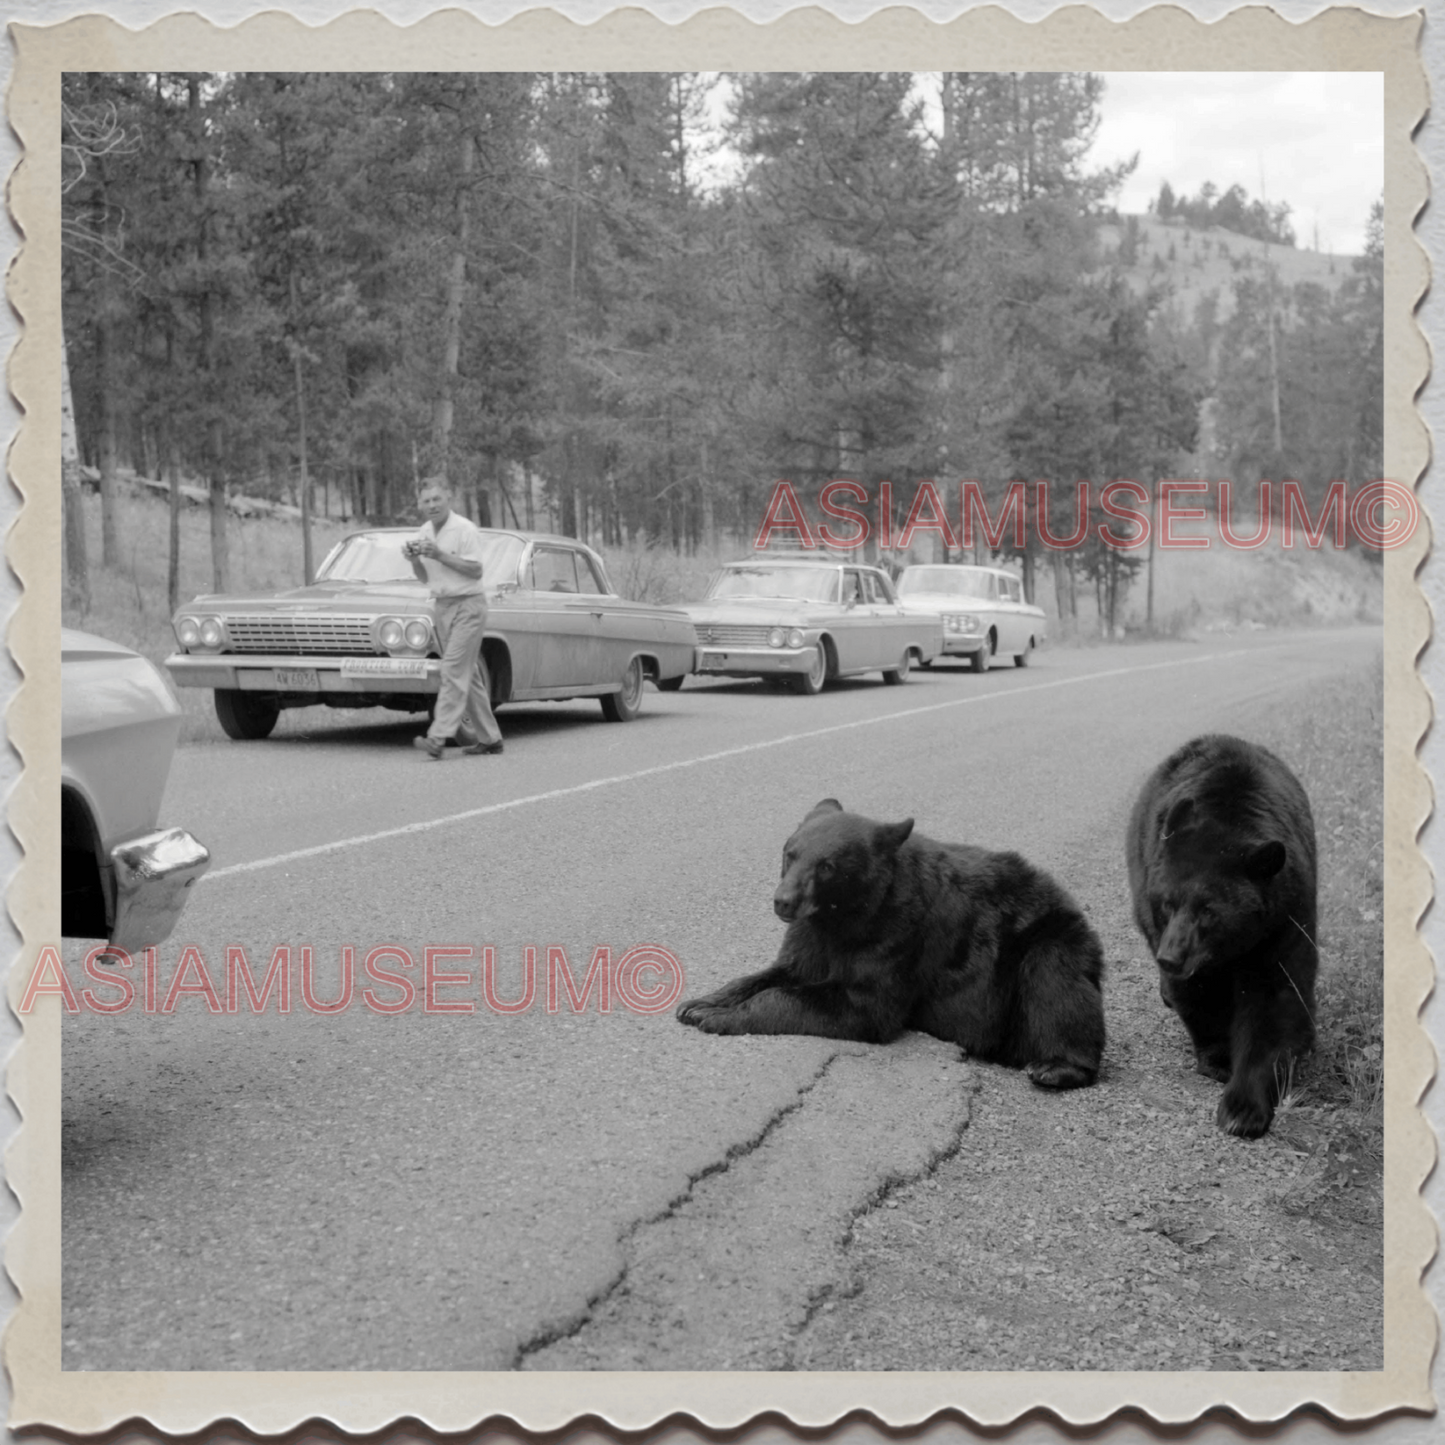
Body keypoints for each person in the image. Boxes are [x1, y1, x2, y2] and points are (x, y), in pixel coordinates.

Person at [403, 477, 505, 759]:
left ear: (449, 498)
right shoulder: (424, 531)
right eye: (426, 500)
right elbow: (425, 577)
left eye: (437, 498)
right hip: (443, 606)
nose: (432, 505)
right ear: (420, 504)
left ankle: (437, 738)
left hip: (468, 605)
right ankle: (490, 738)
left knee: (452, 670)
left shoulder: (464, 530)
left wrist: (439, 554)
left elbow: (475, 571)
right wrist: (414, 560)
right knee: (466, 675)